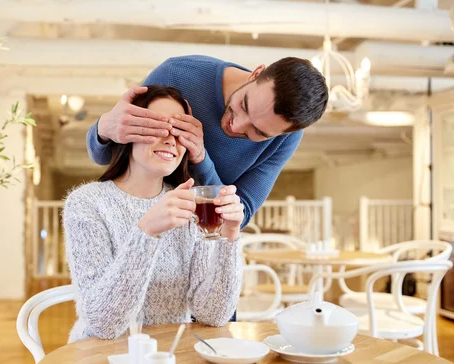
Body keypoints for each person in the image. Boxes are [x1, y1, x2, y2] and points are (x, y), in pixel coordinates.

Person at [63, 86, 244, 342]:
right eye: (158, 127)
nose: (171, 139)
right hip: (100, 361)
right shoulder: (87, 203)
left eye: (180, 131)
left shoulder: (190, 204)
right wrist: (146, 231)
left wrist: (230, 236)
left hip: (168, 359)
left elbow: (213, 314)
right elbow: (103, 325)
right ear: (127, 131)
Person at [86, 55, 329, 229]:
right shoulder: (177, 74)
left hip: (196, 240)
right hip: (134, 223)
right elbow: (107, 156)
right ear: (255, 74)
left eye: (258, 131)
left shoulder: (285, 140)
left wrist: (201, 159)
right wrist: (104, 128)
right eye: (244, 105)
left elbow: (238, 215)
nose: (237, 125)